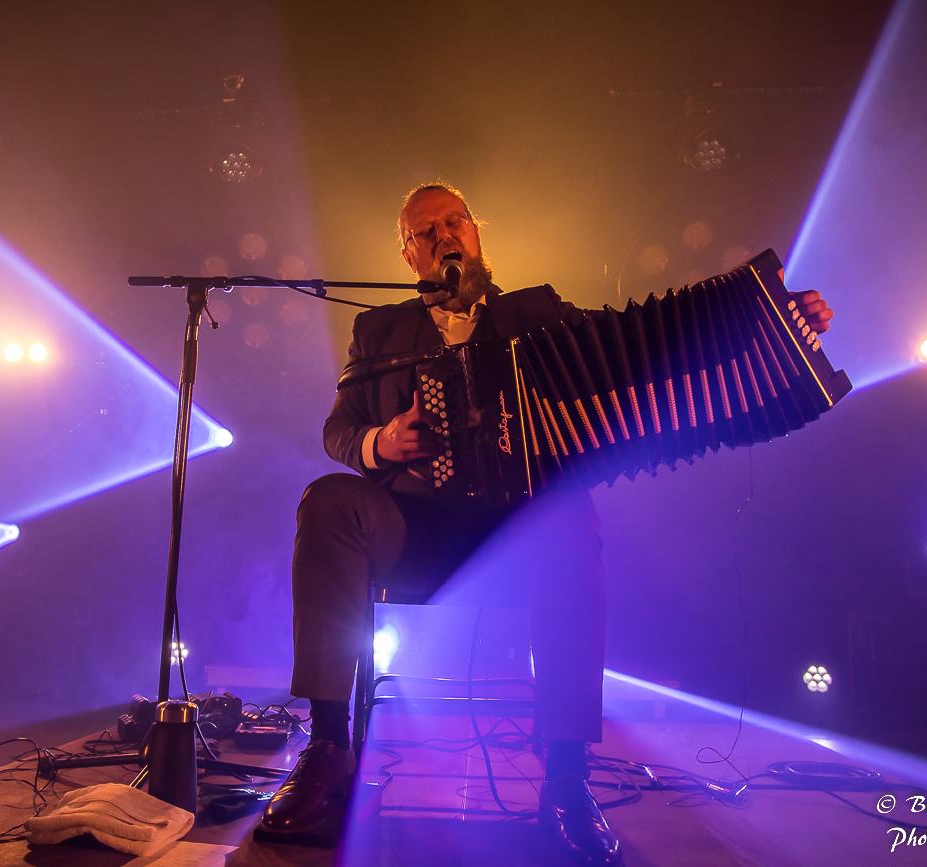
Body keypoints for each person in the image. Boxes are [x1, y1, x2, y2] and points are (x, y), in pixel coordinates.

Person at [258, 183, 833, 865]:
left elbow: (659, 348)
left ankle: (565, 779)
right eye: (426, 230)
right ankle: (328, 751)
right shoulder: (377, 329)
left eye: (454, 221)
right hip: (413, 530)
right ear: (408, 255)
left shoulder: (537, 313)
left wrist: (772, 320)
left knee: (569, 519)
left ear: (477, 234)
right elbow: (338, 431)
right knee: (328, 499)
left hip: (519, 534)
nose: (444, 235)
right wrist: (382, 441)